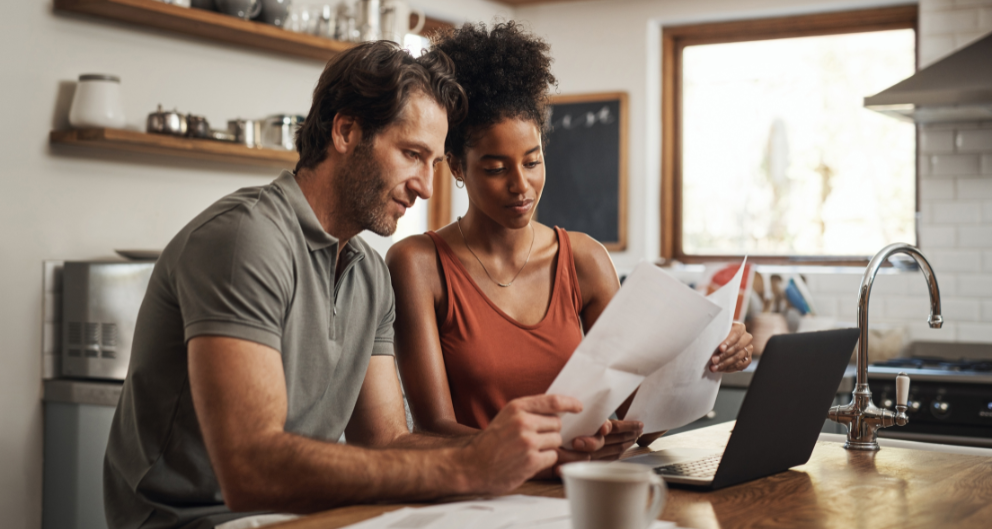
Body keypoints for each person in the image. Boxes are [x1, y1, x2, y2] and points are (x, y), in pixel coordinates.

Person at [103, 41, 606, 529]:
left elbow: (385, 441)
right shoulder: (246, 240)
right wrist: (469, 466)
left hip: (309, 516)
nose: (425, 187)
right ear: (346, 131)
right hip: (196, 520)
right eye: (411, 154)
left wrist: (522, 450)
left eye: (432, 163)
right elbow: (251, 468)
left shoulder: (368, 271)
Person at [386, 22, 754, 465]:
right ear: (458, 167)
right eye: (496, 168)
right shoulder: (417, 264)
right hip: (479, 498)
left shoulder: (584, 260)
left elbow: (637, 421)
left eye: (533, 161)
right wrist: (549, 457)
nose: (521, 185)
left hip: (578, 493)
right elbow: (434, 430)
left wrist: (707, 358)